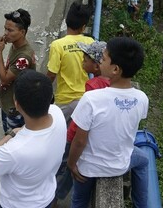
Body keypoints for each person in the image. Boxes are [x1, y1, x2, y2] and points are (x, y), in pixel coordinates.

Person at [67, 37, 149, 208]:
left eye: (103, 59)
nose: (100, 63)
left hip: (88, 167)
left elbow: (80, 141)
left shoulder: (91, 99)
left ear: (115, 69)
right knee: (143, 160)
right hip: (120, 165)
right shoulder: (142, 99)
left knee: (79, 200)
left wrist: (71, 163)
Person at [0, 70, 67, 208]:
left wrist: (11, 134)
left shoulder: (15, 149)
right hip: (47, 198)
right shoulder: (58, 114)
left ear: (17, 104)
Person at [54, 40, 110, 206]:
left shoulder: (93, 86)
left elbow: (81, 122)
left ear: (96, 65)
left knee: (65, 164)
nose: (82, 61)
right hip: (99, 140)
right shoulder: (111, 84)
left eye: (85, 59)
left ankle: (52, 197)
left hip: (80, 138)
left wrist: (68, 137)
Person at [46, 2, 94, 121]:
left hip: (64, 100)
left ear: (66, 21)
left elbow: (52, 74)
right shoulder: (90, 42)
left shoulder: (57, 45)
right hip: (84, 97)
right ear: (83, 27)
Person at [0, 8, 36, 132]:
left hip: (16, 109)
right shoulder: (15, 45)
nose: (5, 33)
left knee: (11, 140)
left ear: (22, 32)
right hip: (8, 102)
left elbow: (4, 79)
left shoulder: (23, 57)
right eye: (5, 29)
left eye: (10, 30)